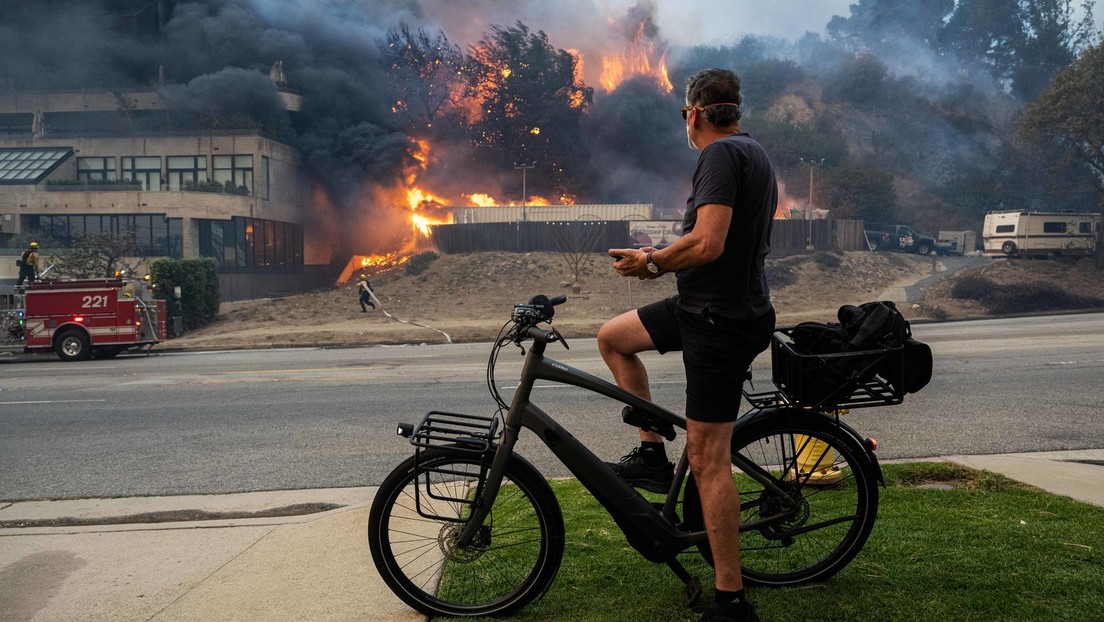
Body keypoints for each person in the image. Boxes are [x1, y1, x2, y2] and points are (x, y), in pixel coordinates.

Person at [599, 68, 777, 622]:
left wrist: (652, 262)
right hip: (699, 307)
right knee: (613, 338)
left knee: (707, 458)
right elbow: (705, 243)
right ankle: (652, 452)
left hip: (721, 321)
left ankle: (731, 599)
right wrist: (661, 264)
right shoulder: (755, 153)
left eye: (684, 114)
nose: (686, 123)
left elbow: (708, 241)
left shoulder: (721, 157)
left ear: (695, 113)